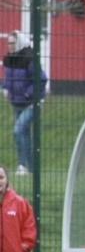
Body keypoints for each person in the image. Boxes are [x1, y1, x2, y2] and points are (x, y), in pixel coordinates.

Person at [2, 31, 47, 175]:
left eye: (12, 43)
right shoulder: (10, 59)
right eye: (8, 43)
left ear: (19, 43)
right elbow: (8, 78)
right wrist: (6, 88)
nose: (9, 46)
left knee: (18, 130)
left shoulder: (29, 59)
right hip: (16, 103)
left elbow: (41, 79)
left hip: (32, 103)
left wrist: (28, 93)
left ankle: (23, 165)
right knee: (24, 133)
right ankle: (30, 167)